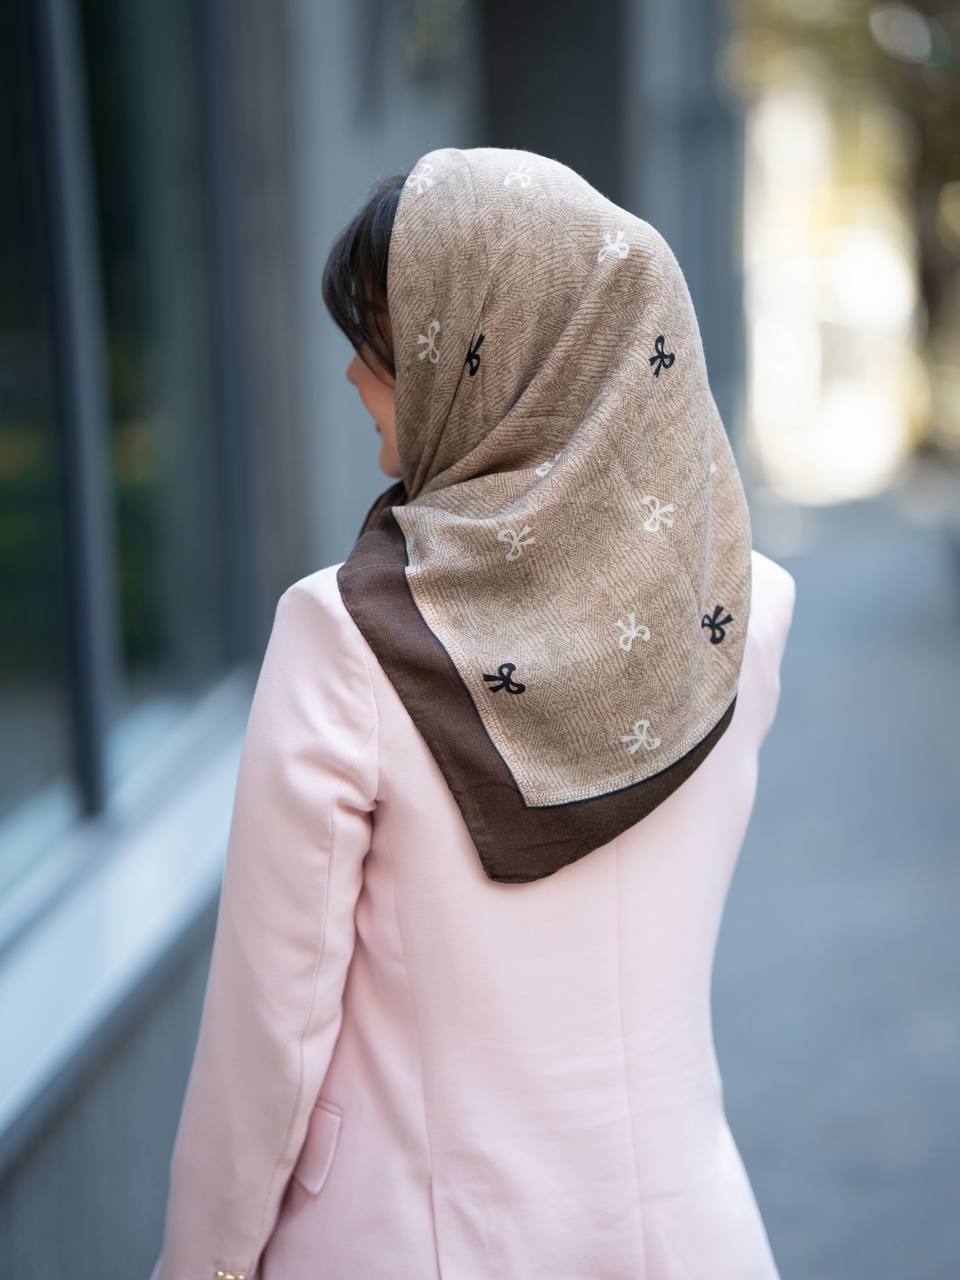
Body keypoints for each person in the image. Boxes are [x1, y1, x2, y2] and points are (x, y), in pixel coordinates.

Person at [149, 146, 796, 1280]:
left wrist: (204, 1262)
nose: (353, 375)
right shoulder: (746, 605)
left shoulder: (345, 634)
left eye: (388, 341)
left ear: (507, 355)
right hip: (689, 1235)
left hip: (414, 1237)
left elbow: (271, 1031)